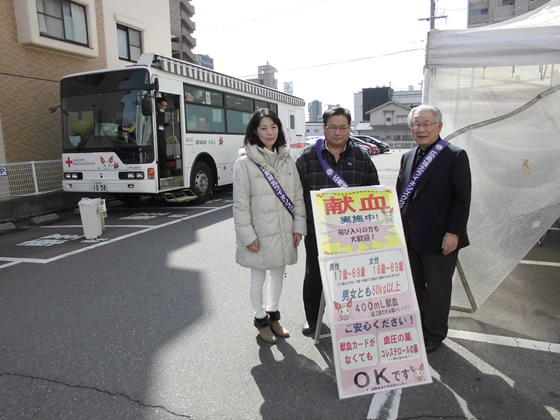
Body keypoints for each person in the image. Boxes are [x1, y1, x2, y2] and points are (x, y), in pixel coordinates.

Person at [296, 107, 380, 336]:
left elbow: (374, 193)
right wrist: (298, 227)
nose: (337, 132)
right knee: (314, 276)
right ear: (323, 128)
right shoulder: (307, 157)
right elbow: (297, 196)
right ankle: (313, 319)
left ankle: (352, 318)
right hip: (317, 231)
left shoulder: (361, 156)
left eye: (343, 127)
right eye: (332, 127)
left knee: (351, 277)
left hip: (354, 233)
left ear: (349, 128)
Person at [396, 104, 472, 353]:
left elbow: (462, 199)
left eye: (427, 123)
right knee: (414, 286)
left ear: (439, 126)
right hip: (411, 237)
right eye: (416, 124)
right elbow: (400, 194)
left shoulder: (455, 155)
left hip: (441, 238)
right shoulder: (407, 156)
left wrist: (454, 233)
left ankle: (435, 333)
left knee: (438, 289)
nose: (421, 129)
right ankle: (418, 327)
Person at [233, 108, 307, 344]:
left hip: (284, 229)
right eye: (263, 128)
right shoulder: (244, 163)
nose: (269, 132)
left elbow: (297, 196)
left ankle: (273, 315)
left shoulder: (287, 159)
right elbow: (240, 204)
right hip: (259, 232)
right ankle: (260, 319)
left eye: (273, 127)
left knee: (278, 275)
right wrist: (247, 236)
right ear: (255, 131)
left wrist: (298, 227)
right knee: (258, 278)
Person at [156, 97, 171, 177]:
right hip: (157, 137)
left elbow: (162, 125)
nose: (164, 107)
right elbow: (158, 125)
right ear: (158, 105)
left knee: (163, 154)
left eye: (165, 106)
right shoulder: (156, 113)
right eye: (163, 105)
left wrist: (168, 124)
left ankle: (163, 172)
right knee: (161, 154)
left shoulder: (162, 114)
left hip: (162, 136)